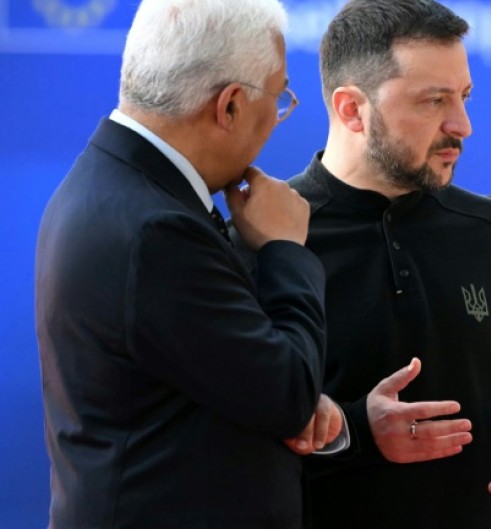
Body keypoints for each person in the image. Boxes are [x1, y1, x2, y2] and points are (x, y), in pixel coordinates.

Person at [230, 0, 491, 527]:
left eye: (463, 97)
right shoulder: (265, 237)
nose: (462, 125)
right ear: (352, 109)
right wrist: (359, 433)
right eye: (434, 101)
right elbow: (232, 433)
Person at [34, 1, 342, 527]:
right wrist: (286, 249)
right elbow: (287, 394)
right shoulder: (157, 228)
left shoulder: (113, 185)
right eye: (280, 97)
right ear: (229, 107)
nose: (279, 117)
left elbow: (208, 370)